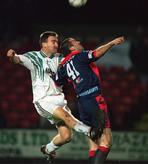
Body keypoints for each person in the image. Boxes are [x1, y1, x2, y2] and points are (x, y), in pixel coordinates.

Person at [6, 31, 100, 162]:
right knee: (65, 116)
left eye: (57, 41)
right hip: (43, 101)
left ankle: (48, 149)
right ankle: (89, 130)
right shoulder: (33, 57)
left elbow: (76, 60)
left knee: (66, 136)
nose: (56, 44)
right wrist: (11, 56)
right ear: (44, 44)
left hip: (59, 100)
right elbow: (16, 59)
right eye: (53, 41)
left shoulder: (60, 58)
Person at [51, 36, 124, 164]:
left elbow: (57, 81)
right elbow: (96, 53)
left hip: (82, 103)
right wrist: (112, 43)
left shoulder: (63, 65)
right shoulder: (79, 55)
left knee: (94, 144)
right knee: (106, 142)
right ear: (71, 48)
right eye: (75, 42)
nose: (79, 42)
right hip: (94, 100)